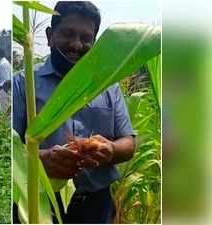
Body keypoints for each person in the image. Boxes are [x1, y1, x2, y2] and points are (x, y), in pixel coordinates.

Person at [13, 1, 135, 223]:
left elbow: (128, 141)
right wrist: (39, 160)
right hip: (39, 205)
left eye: (86, 38)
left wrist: (110, 150)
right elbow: (9, 148)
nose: (76, 45)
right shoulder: (24, 84)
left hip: (96, 206)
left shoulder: (108, 84)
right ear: (50, 36)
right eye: (67, 34)